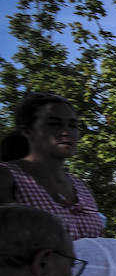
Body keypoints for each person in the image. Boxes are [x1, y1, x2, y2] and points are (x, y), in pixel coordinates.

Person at [0, 92, 104, 239]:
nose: (66, 132)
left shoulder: (81, 187)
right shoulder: (7, 177)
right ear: (28, 130)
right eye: (54, 124)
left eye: (73, 125)